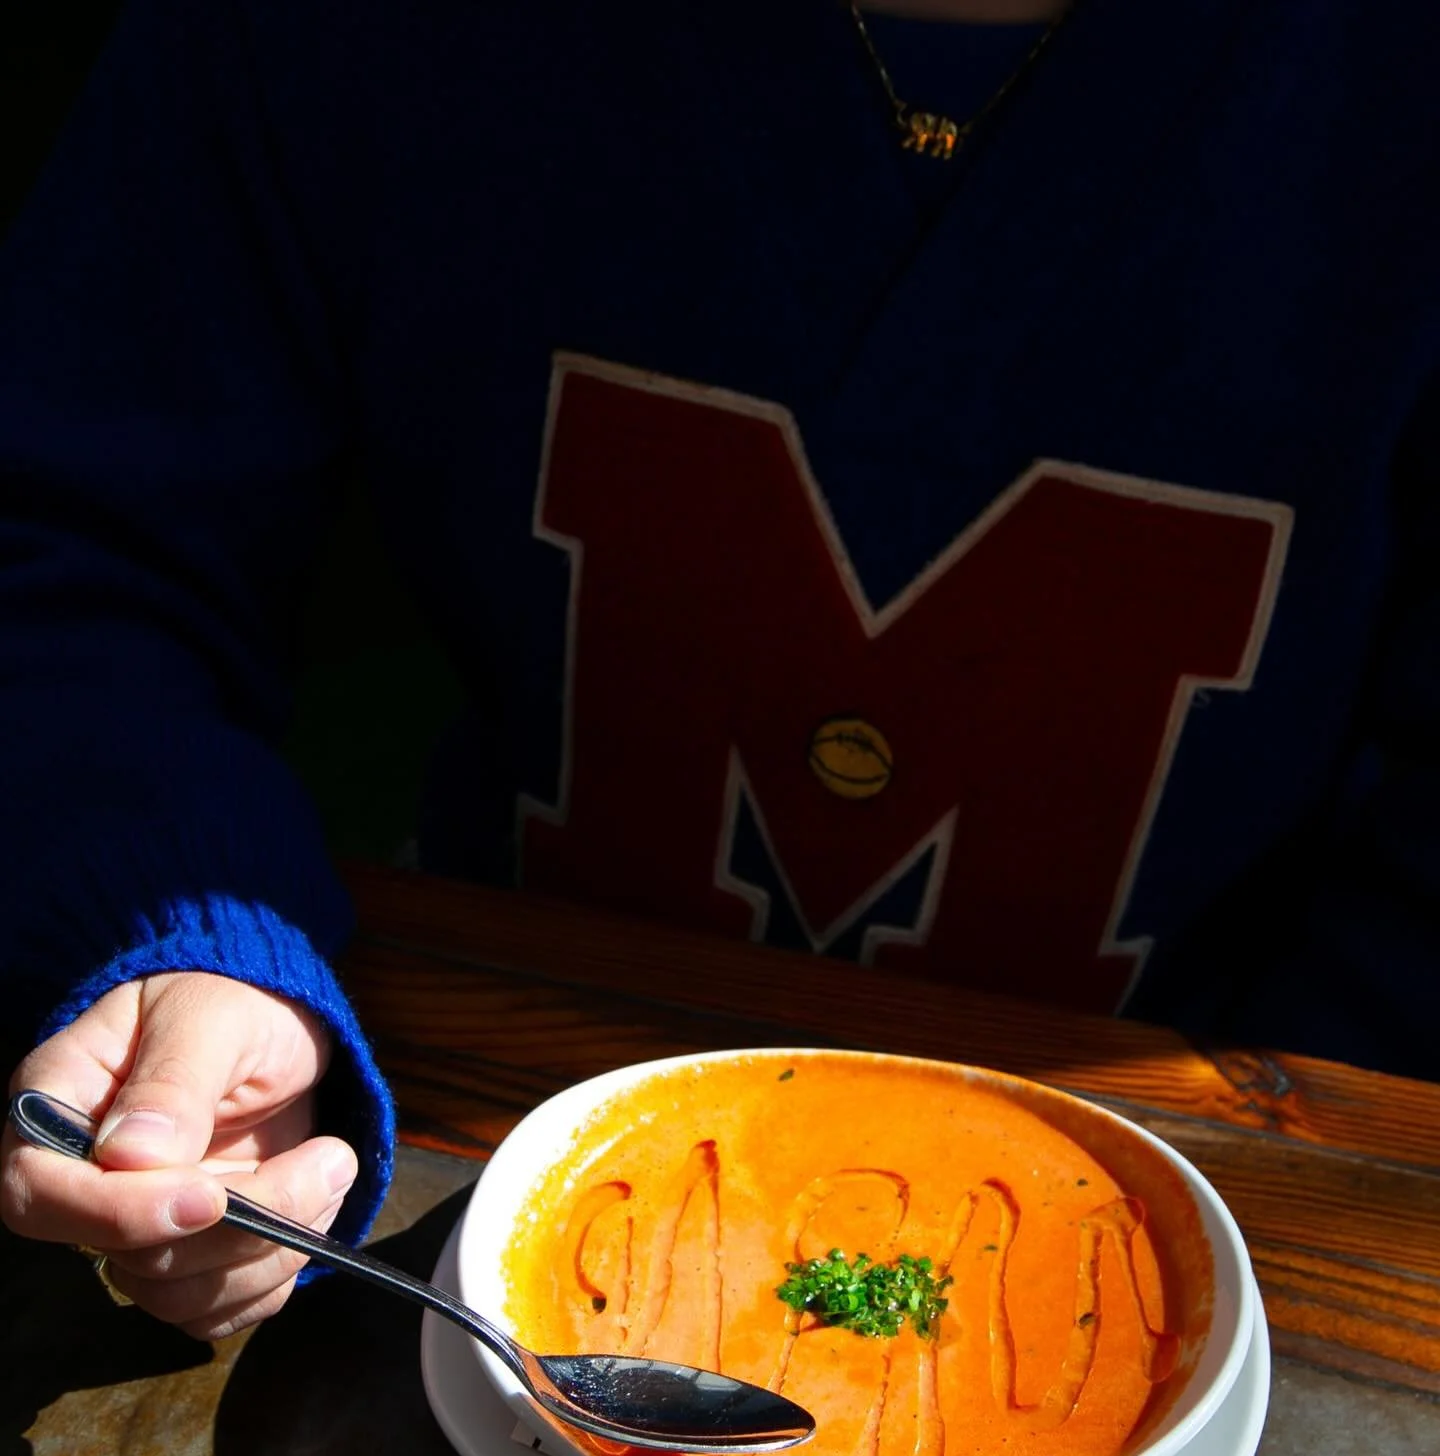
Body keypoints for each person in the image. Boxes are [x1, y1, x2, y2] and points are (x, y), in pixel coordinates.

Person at [2, 0, 1438, 1335]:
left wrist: (1279, 1175)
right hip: (469, 1090)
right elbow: (75, 540)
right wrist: (190, 919)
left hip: (1215, 1183)